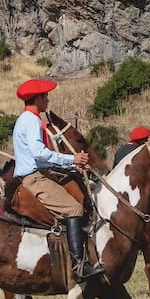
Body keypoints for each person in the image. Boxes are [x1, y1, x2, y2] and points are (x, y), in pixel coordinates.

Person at [12, 78, 101, 281]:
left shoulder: (28, 119)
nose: (48, 100)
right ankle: (79, 267)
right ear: (38, 98)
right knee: (74, 209)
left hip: (39, 174)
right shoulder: (31, 120)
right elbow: (39, 153)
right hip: (35, 178)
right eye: (46, 96)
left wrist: (72, 165)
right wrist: (73, 158)